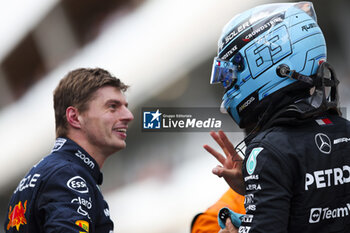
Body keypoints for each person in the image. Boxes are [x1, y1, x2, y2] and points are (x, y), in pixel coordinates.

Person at [206, 1, 350, 232]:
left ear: (265, 62)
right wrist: (259, 185)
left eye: (231, 73)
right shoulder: (344, 129)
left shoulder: (267, 150)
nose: (228, 85)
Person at [4, 68, 134, 232]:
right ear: (74, 117)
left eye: (125, 107)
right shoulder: (67, 175)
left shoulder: (50, 172)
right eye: (113, 107)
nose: (128, 115)